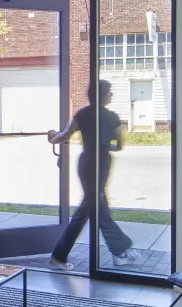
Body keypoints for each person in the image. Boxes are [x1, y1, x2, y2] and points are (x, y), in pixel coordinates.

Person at [46, 79, 141, 270]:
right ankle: (59, 256)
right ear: (103, 94)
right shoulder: (112, 117)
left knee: (97, 205)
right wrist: (107, 145)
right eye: (110, 92)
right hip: (101, 163)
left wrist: (52, 139)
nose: (112, 95)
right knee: (89, 207)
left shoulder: (82, 113)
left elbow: (65, 135)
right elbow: (119, 145)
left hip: (86, 162)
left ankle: (119, 251)